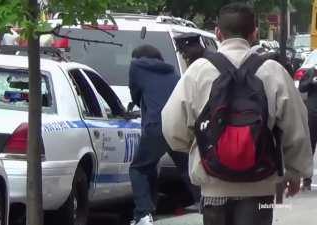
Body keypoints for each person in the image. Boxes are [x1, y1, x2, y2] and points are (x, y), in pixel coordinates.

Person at [161, 3, 313, 225]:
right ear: (254, 33)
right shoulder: (273, 70)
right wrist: (295, 172)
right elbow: (296, 126)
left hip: (213, 184)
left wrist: (200, 147)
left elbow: (172, 126)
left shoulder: (198, 71)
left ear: (218, 33)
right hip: (262, 184)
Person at [128, 44, 180, 225]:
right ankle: (207, 205)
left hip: (156, 125)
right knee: (188, 170)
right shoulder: (174, 73)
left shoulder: (136, 67)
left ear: (139, 58)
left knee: (138, 168)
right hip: (178, 126)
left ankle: (143, 214)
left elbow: (135, 95)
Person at [299, 68, 317, 190]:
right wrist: (311, 81)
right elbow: (302, 87)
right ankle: (307, 180)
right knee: (310, 146)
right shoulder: (311, 72)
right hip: (313, 115)